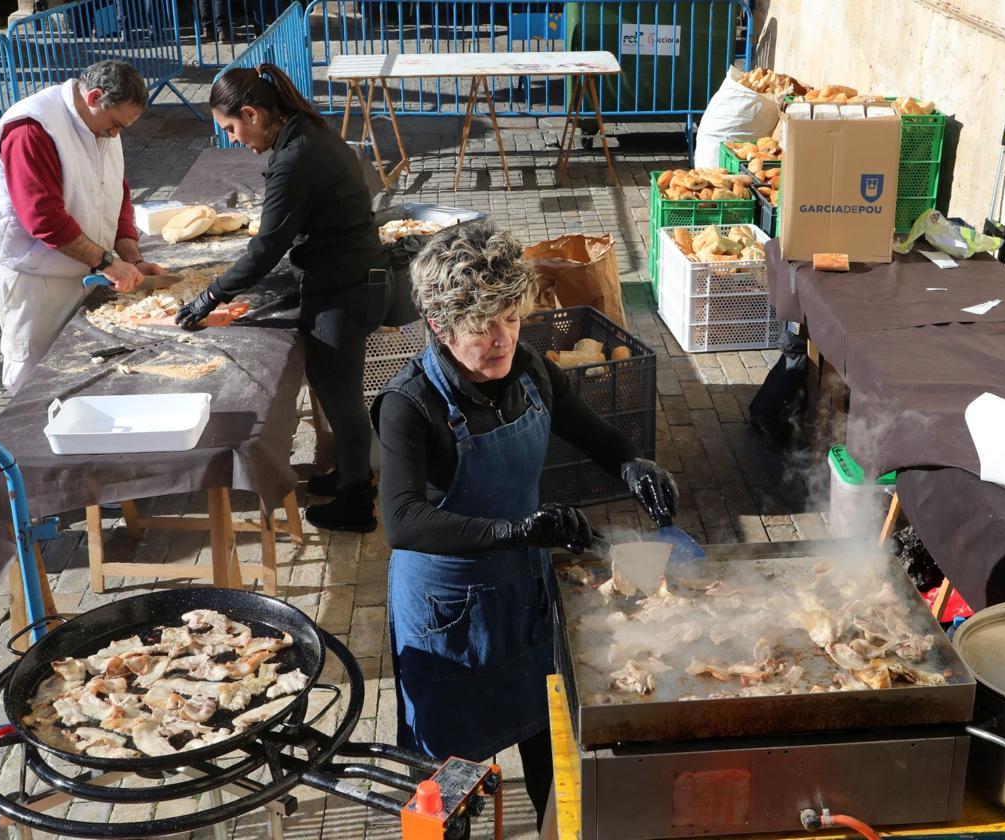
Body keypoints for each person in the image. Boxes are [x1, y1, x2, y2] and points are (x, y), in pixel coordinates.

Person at [371, 222, 679, 830]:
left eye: (510, 317)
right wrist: (515, 533)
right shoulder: (410, 406)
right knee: (451, 783)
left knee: (552, 748)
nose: (502, 337)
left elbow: (591, 432)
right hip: (450, 618)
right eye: (483, 324)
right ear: (438, 324)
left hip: (527, 598)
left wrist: (631, 463)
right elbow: (403, 522)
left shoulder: (531, 370)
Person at [178, 63, 388, 532]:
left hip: (346, 290)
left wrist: (210, 295)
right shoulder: (305, 131)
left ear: (252, 114)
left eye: (231, 128)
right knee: (337, 398)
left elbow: (266, 247)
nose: (232, 139)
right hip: (345, 280)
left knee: (343, 401)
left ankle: (357, 505)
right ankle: (352, 476)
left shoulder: (297, 155)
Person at [0, 60, 163, 393]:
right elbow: (43, 218)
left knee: (84, 365)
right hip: (33, 277)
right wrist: (108, 263)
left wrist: (131, 258)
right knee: (34, 371)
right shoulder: (32, 128)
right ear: (93, 97)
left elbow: (115, 191)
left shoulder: (100, 121)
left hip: (85, 267)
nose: (116, 133)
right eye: (115, 124)